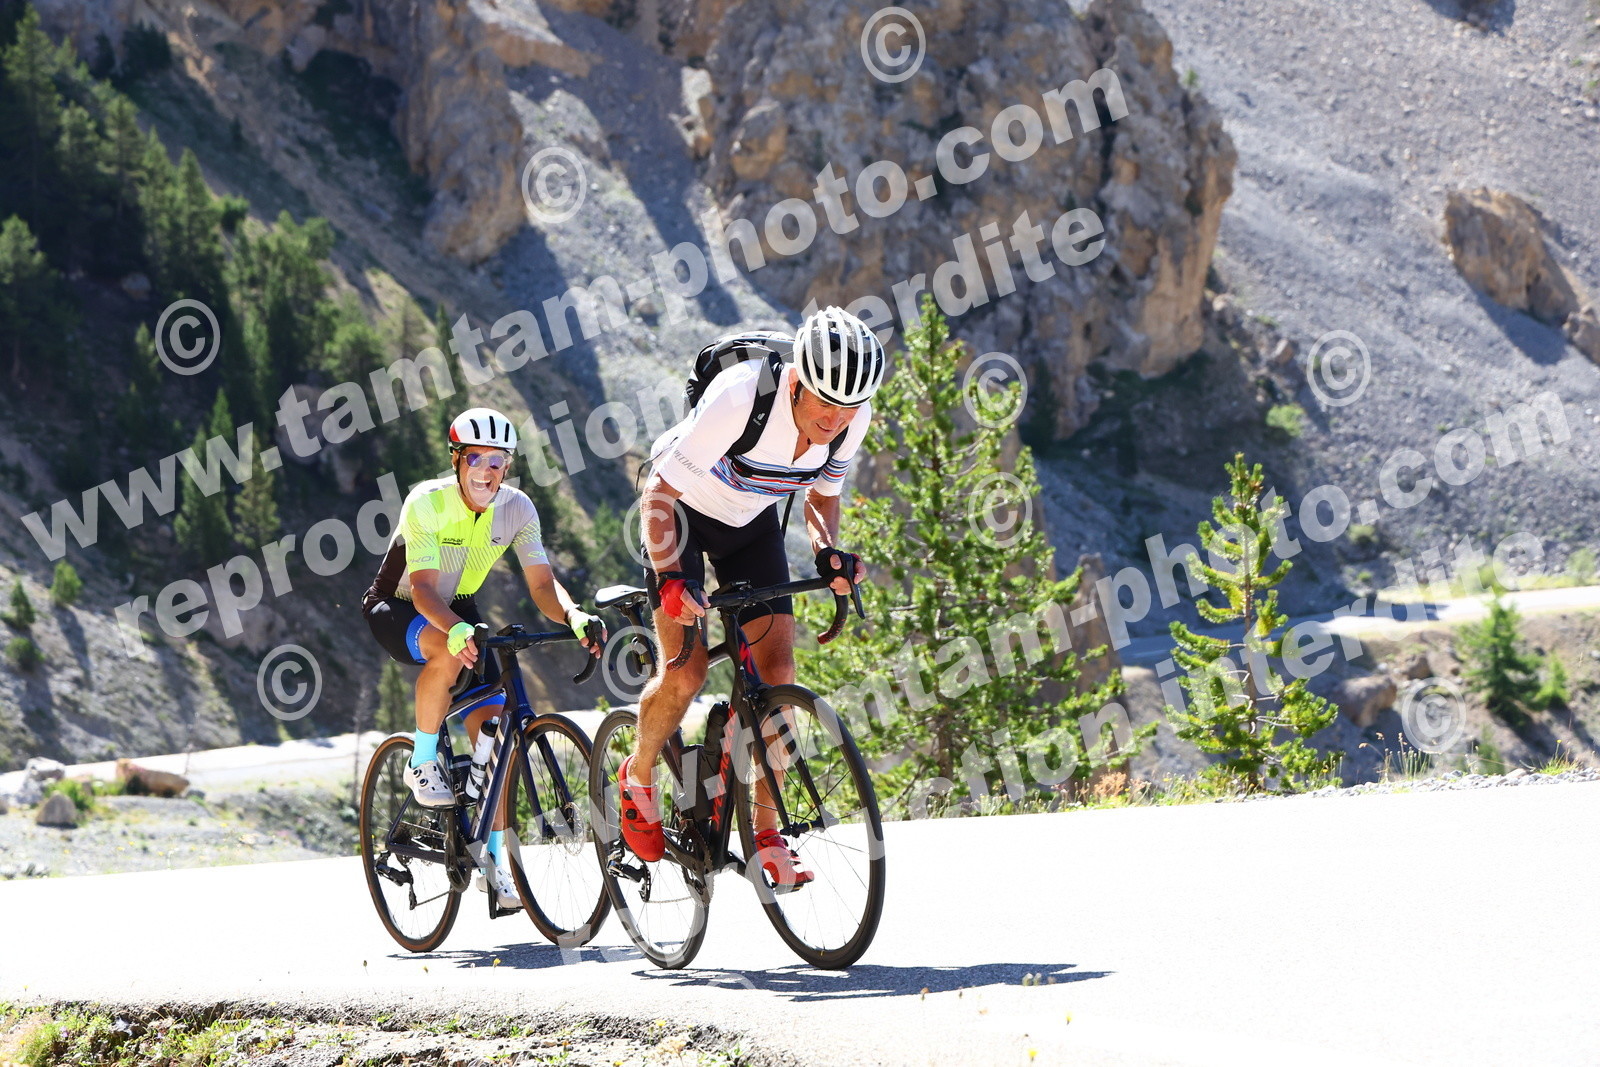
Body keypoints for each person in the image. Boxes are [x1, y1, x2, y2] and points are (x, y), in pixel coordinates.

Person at [621, 306, 886, 887]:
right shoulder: (743, 397)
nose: (835, 420)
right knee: (685, 672)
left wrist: (828, 552)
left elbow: (822, 495)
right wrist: (671, 578)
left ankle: (766, 837)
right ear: (797, 382)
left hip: (750, 526)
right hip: (681, 516)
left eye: (848, 410)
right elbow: (659, 494)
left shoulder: (852, 416)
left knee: (778, 676)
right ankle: (637, 776)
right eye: (825, 404)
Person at [363, 407, 604, 909]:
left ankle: (492, 862)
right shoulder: (427, 502)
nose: (487, 471)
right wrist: (453, 630)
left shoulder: (518, 509)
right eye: (476, 458)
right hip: (400, 604)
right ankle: (421, 761)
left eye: (498, 461)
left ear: (508, 466)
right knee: (447, 653)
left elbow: (542, 584)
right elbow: (423, 589)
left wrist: (574, 615)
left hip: (459, 607)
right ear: (456, 459)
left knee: (495, 742)